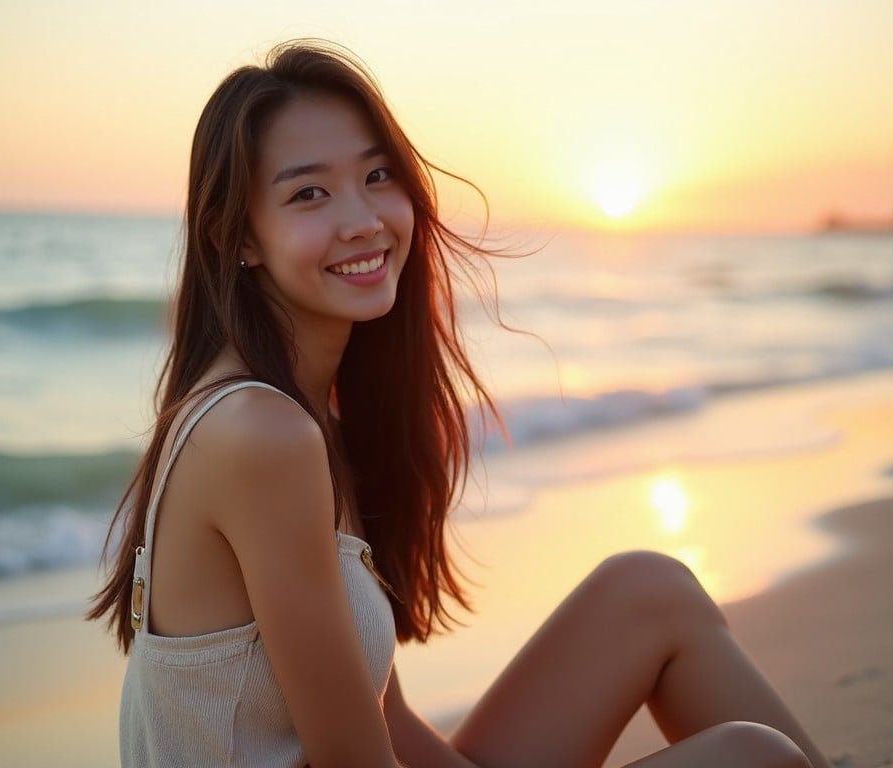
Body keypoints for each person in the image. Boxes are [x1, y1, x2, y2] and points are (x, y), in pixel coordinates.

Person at [89, 39, 832, 768]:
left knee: (650, 588)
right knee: (752, 757)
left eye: (378, 176)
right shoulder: (261, 434)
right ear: (237, 236)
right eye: (308, 193)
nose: (363, 219)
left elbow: (387, 718)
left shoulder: (303, 419)